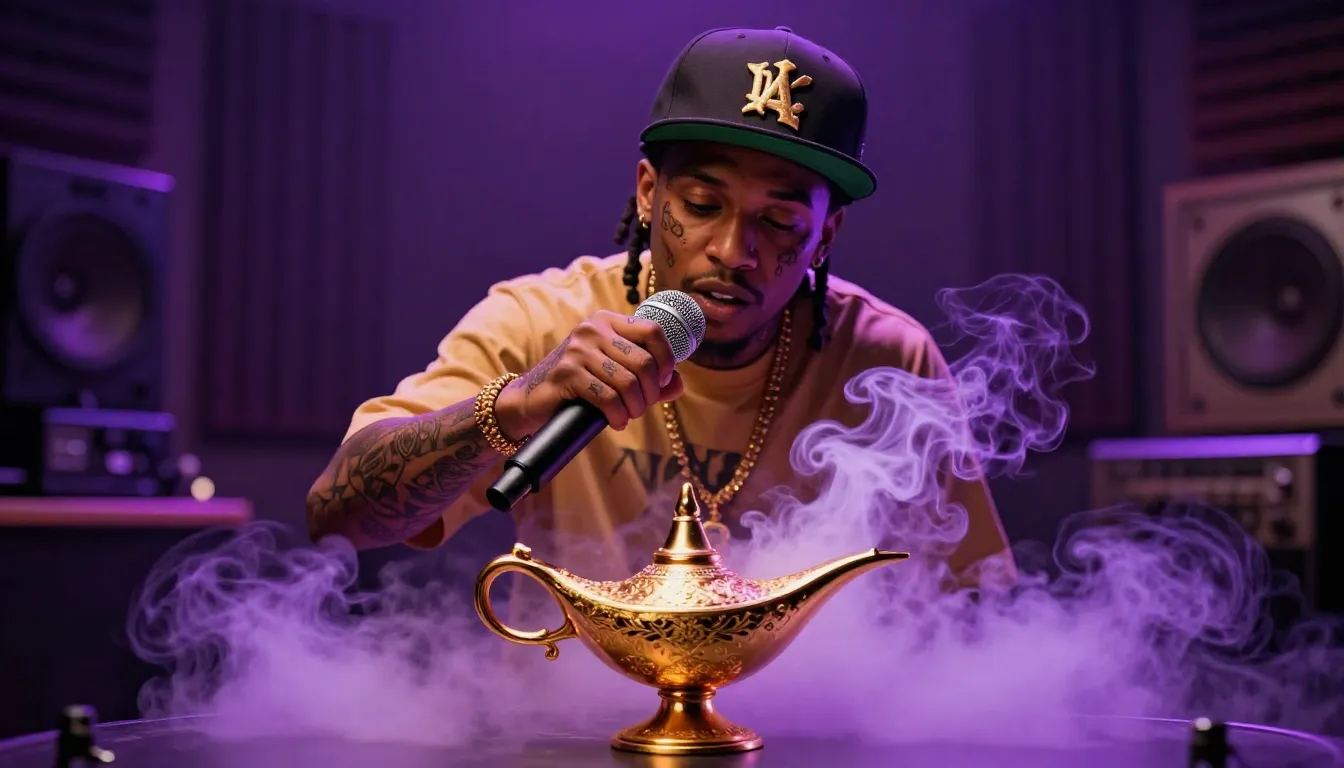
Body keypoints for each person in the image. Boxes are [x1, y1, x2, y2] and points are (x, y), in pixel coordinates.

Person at [306, 26, 1015, 587]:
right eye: (702, 205)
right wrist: (515, 404)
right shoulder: (537, 320)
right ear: (649, 193)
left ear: (825, 235)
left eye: (780, 222)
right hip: (563, 714)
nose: (733, 252)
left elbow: (974, 599)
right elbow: (339, 518)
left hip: (796, 718)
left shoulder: (887, 357)